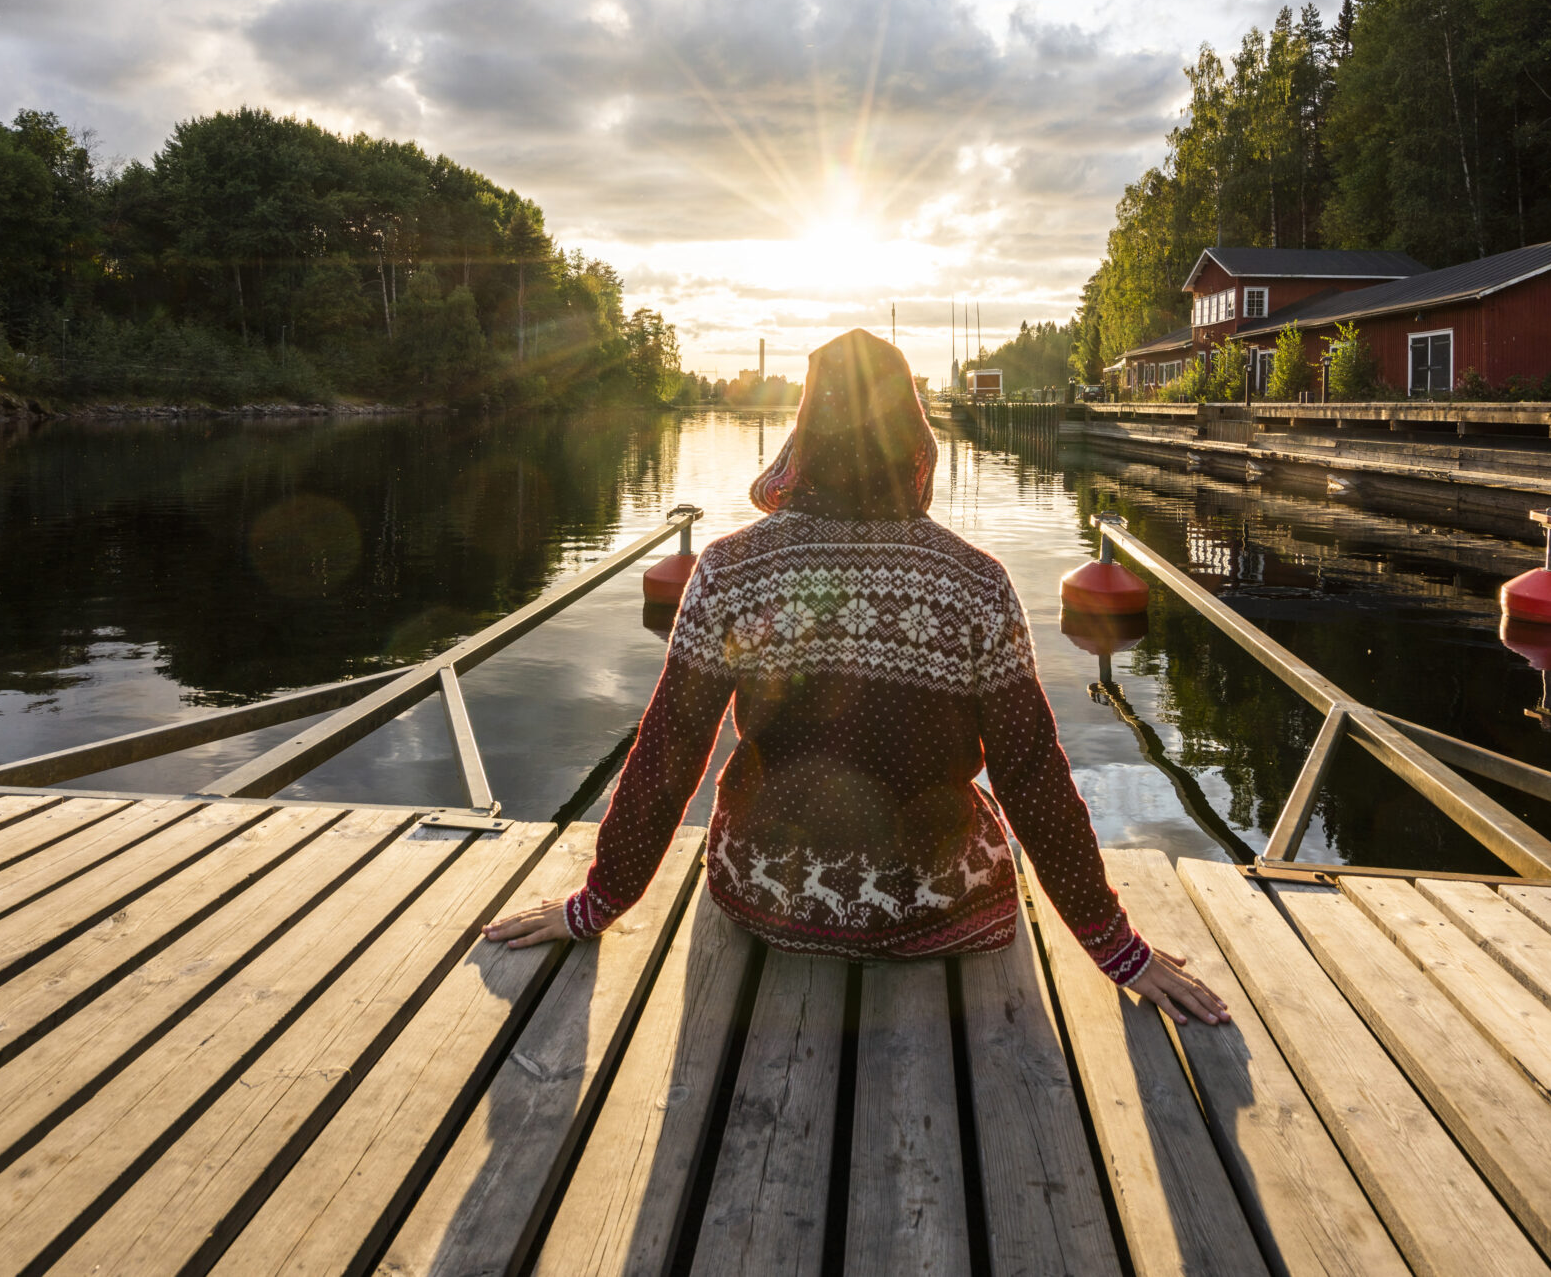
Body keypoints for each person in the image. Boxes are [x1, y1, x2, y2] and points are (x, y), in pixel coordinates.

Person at [486, 327, 1226, 1026]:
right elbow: (1030, 770)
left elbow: (669, 749)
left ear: (804, 435)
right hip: (941, 905)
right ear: (913, 436)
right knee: (990, 812)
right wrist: (1114, 947)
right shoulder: (977, 582)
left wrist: (595, 904)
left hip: (767, 892)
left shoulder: (727, 571)